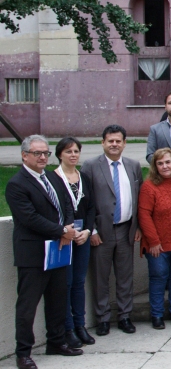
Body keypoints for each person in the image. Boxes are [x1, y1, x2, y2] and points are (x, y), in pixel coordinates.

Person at [7, 135, 81, 369]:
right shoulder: (17, 184)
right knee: (28, 305)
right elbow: (29, 218)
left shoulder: (51, 177)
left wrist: (67, 228)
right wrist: (62, 230)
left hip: (58, 249)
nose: (42, 157)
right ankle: (23, 353)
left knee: (58, 299)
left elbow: (67, 205)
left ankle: (56, 342)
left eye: (45, 153)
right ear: (24, 155)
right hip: (33, 252)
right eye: (37, 153)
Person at [81, 125, 144, 336]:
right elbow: (85, 202)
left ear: (125, 143)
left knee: (125, 276)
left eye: (118, 141)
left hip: (126, 229)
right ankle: (103, 319)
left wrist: (138, 227)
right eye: (110, 141)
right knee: (101, 277)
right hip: (102, 231)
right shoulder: (90, 166)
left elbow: (138, 199)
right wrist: (93, 230)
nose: (114, 144)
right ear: (103, 143)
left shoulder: (133, 165)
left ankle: (125, 316)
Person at [139, 148, 171, 330]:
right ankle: (157, 315)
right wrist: (153, 241)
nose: (164, 166)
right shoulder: (149, 186)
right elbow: (144, 215)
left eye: (168, 162)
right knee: (159, 277)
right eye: (160, 163)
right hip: (158, 244)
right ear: (154, 166)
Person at [54, 137, 96, 348]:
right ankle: (68, 328)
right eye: (68, 151)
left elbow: (91, 207)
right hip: (63, 237)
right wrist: (66, 231)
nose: (73, 155)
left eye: (76, 151)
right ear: (60, 154)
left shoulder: (84, 177)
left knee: (79, 283)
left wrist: (88, 231)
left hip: (82, 238)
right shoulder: (53, 178)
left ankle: (81, 325)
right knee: (66, 283)